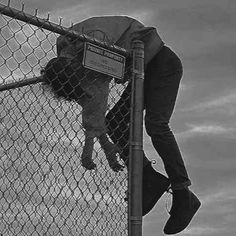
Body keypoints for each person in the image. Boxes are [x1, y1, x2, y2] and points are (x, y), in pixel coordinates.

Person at [52, 15, 201, 235]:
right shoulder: (69, 51)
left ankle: (183, 194)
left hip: (161, 63)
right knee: (115, 121)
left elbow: (98, 89)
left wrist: (94, 141)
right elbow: (89, 95)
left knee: (156, 125)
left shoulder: (91, 42)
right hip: (142, 71)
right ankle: (148, 178)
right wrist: (90, 141)